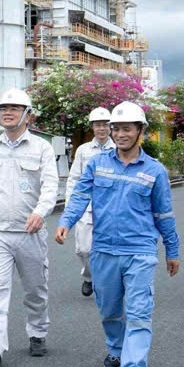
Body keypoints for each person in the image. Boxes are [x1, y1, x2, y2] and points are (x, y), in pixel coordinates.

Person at [56, 101, 179, 367]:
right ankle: (116, 348)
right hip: (104, 250)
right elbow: (80, 195)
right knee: (109, 309)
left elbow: (164, 214)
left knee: (138, 312)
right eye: (117, 129)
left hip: (140, 251)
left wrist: (172, 250)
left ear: (140, 131)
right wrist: (66, 222)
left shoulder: (155, 171)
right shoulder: (97, 164)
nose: (121, 134)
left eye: (127, 129)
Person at [0, 88, 58, 367]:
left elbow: (51, 186)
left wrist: (40, 212)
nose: (8, 112)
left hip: (30, 233)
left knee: (35, 290)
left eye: (15, 108)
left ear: (28, 116)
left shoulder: (42, 148)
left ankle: (37, 331)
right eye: (3, 108)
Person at [64, 106, 115, 297]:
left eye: (105, 125)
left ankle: (106, 281)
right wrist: (70, 206)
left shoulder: (118, 149)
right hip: (86, 206)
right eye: (98, 125)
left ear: (110, 127)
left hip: (111, 207)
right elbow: (74, 179)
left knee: (109, 249)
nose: (101, 128)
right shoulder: (83, 150)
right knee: (84, 249)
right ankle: (89, 277)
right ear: (92, 127)